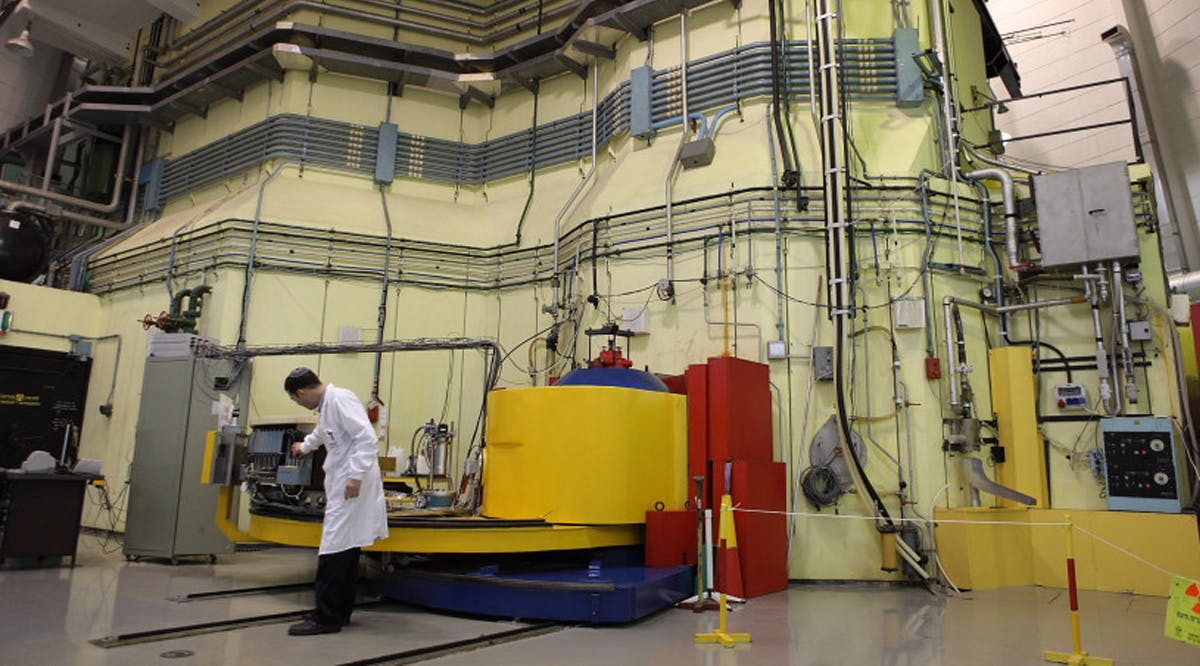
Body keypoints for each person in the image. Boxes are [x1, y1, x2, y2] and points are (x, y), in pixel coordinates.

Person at [283, 367, 389, 636]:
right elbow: (324, 432)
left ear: (301, 393)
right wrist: (305, 446)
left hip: (351, 484)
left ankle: (325, 617)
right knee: (347, 545)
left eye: (297, 400)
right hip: (347, 482)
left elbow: (366, 437)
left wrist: (354, 476)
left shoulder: (339, 399)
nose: (300, 404)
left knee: (332, 546)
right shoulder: (328, 405)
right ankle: (339, 611)